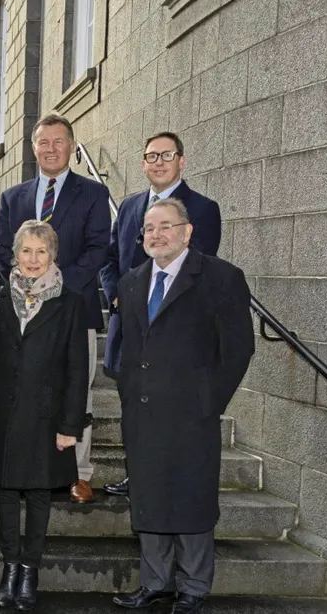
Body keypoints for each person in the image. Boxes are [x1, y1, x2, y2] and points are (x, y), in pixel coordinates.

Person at [111, 198, 253, 614]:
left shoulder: (221, 277)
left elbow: (239, 349)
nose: (156, 235)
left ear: (187, 232)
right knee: (149, 499)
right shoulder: (132, 281)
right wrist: (127, 393)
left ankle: (193, 587)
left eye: (165, 226)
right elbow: (131, 347)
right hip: (142, 413)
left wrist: (210, 401)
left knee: (191, 498)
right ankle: (155, 583)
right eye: (149, 229)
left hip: (193, 413)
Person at [0, 220, 88, 611]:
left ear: (52, 256)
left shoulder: (70, 303)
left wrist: (70, 426)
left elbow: (77, 369)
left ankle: (30, 569)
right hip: (3, 414)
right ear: (14, 254)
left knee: (38, 495)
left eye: (41, 252)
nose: (33, 259)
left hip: (46, 417)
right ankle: (10, 569)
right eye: (26, 251)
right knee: (5, 493)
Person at [0, 113, 110, 503]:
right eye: (44, 142)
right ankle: (21, 461)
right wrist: (26, 288)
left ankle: (79, 472)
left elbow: (97, 250)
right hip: (21, 312)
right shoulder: (13, 197)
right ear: (34, 147)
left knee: (78, 388)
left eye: (59, 141)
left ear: (72, 147)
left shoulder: (92, 194)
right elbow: (1, 248)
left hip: (74, 311)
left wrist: (60, 294)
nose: (51, 148)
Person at [99, 132, 222, 498]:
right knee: (133, 410)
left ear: (181, 160)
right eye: (151, 156)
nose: (159, 162)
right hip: (129, 333)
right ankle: (137, 474)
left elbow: (200, 268)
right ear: (143, 164)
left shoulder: (202, 209)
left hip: (174, 337)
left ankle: (167, 480)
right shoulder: (129, 206)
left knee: (172, 411)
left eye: (166, 155)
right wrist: (117, 296)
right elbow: (109, 260)